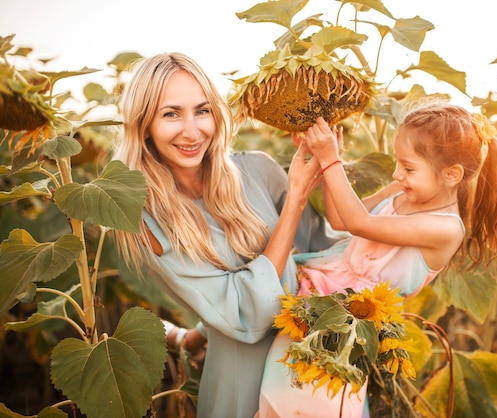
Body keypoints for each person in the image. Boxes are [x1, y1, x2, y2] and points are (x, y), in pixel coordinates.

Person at [111, 52, 343, 418]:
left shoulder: (257, 169)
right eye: (171, 114)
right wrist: (295, 199)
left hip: (317, 372)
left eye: (202, 111)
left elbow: (325, 251)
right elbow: (246, 315)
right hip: (243, 387)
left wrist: (341, 171)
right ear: (144, 126)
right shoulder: (149, 222)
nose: (192, 131)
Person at [257, 101, 497, 417]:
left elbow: (361, 223)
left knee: (314, 405)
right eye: (398, 163)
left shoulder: (445, 228)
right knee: (280, 399)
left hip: (348, 325)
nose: (396, 173)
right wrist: (326, 159)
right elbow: (340, 219)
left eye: (409, 167)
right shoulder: (402, 190)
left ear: (452, 174)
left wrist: (332, 161)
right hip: (318, 297)